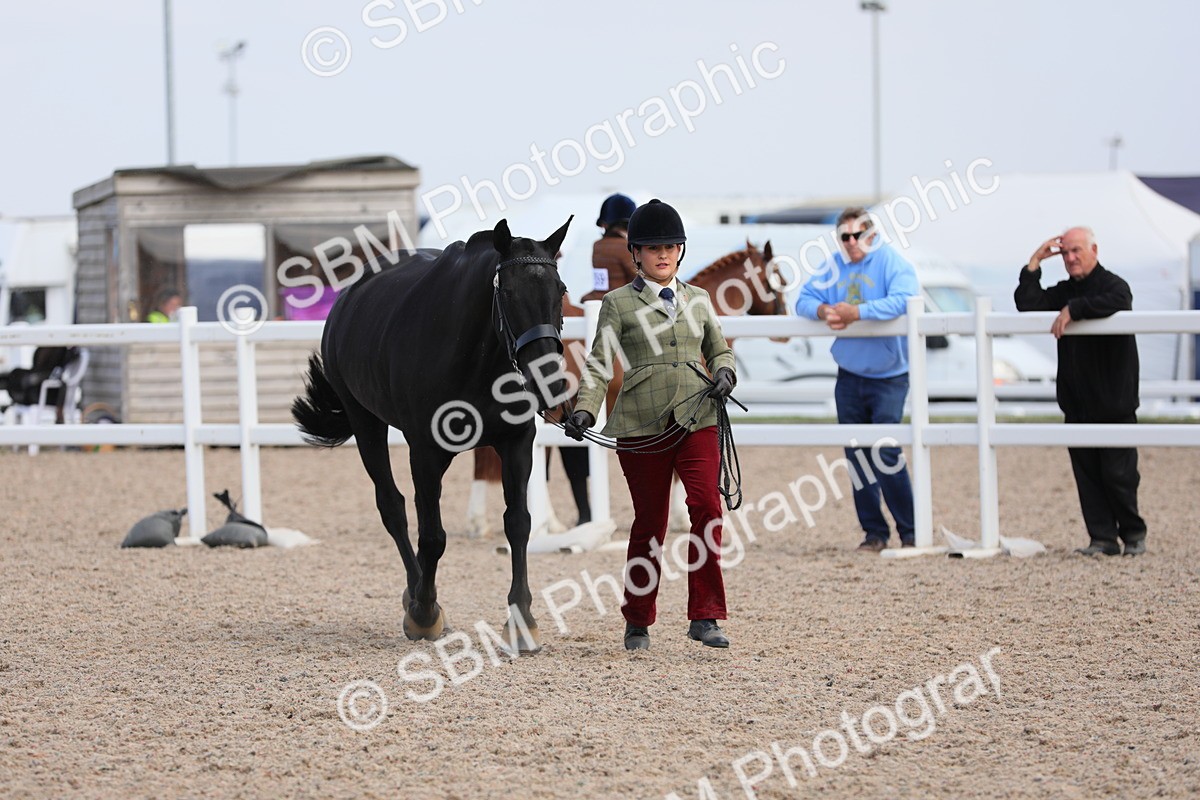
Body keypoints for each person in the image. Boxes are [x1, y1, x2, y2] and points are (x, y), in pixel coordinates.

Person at [564, 198, 737, 651]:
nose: (663, 255)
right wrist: (585, 408)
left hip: (698, 415)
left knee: (706, 507)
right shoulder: (618, 304)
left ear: (680, 251)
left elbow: (719, 348)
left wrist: (724, 371)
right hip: (642, 424)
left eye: (671, 247)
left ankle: (706, 615)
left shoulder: (698, 299)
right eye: (653, 248)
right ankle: (638, 618)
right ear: (636, 253)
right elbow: (600, 364)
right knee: (650, 522)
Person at [1014, 227, 1146, 556]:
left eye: (1076, 251)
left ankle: (1133, 534)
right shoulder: (1064, 291)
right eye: (1065, 253)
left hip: (1115, 401)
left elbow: (1119, 300)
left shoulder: (1113, 285)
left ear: (1093, 250)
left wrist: (1075, 310)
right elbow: (1028, 303)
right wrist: (1034, 263)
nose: (1071, 258)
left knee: (1119, 474)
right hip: (1077, 402)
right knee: (1087, 474)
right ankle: (1101, 538)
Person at [795, 207, 919, 553]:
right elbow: (803, 300)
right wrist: (823, 311)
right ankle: (874, 533)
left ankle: (910, 532)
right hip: (849, 373)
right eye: (844, 236)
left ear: (872, 235)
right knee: (856, 456)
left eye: (857, 235)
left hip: (889, 375)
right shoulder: (833, 265)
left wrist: (857, 312)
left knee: (886, 451)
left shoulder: (891, 262)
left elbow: (906, 300)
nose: (851, 243)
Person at [582, 193, 638, 302]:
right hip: (621, 304)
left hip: (599, 300)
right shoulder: (625, 247)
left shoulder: (597, 245)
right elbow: (641, 281)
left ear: (605, 224)